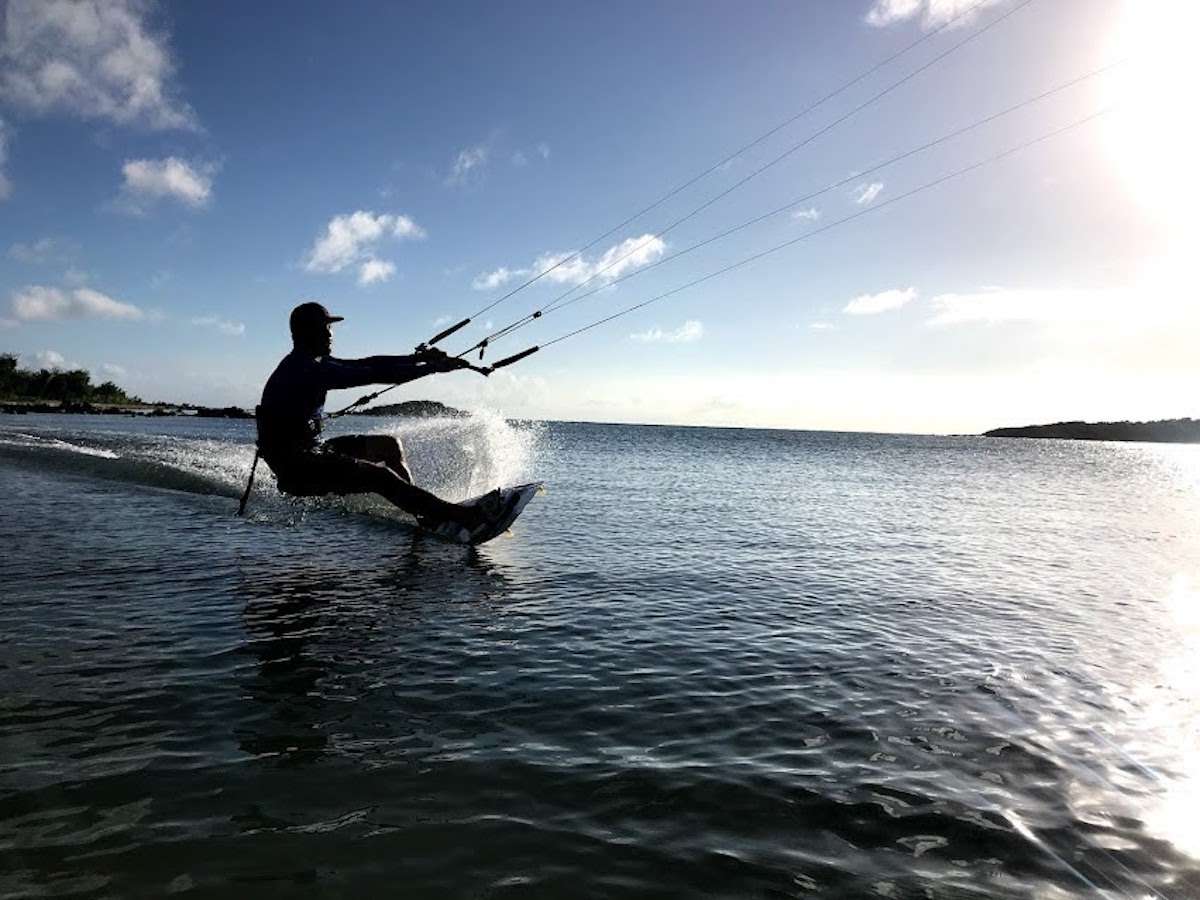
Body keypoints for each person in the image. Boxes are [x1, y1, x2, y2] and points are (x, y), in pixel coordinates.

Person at [256, 301, 509, 536]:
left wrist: (419, 358)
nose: (331, 334)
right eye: (325, 327)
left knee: (389, 446)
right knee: (380, 477)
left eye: (330, 327)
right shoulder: (305, 368)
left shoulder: (314, 361)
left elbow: (369, 362)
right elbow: (370, 375)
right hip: (297, 469)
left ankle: (424, 514)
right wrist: (432, 368)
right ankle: (465, 518)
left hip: (312, 451)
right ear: (307, 332)